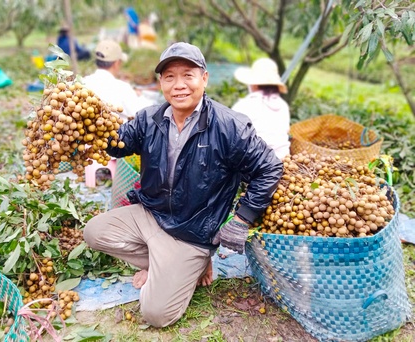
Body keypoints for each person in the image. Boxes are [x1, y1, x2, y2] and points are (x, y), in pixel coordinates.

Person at [83, 42, 283, 328]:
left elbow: (269, 168)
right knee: (94, 232)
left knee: (156, 314)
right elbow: (117, 145)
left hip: (191, 232)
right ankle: (162, 263)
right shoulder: (149, 119)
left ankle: (191, 263)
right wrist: (88, 122)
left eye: (188, 75)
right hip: (151, 214)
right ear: (161, 82)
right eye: (169, 77)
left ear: (204, 78)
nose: (179, 85)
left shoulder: (229, 126)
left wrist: (242, 219)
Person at [232, 58, 290, 160]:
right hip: (282, 159)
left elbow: (230, 133)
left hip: (254, 162)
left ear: (254, 84)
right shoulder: (283, 105)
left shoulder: (245, 105)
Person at [82, 40, 152, 121]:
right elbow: (144, 113)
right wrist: (140, 96)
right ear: (117, 63)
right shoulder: (122, 88)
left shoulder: (83, 83)